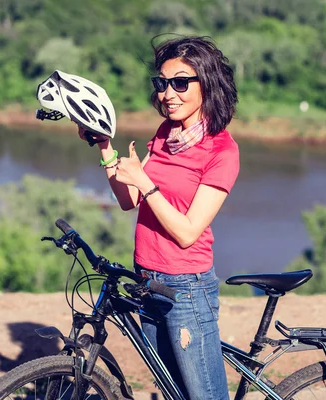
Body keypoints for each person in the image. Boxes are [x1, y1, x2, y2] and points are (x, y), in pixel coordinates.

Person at [78, 35, 239, 400]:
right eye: (162, 83)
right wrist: (106, 149)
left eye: (181, 83)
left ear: (207, 84)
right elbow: (129, 199)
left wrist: (145, 181)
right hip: (147, 279)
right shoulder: (166, 134)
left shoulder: (222, 151)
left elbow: (187, 232)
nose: (169, 93)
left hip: (186, 288)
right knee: (173, 393)